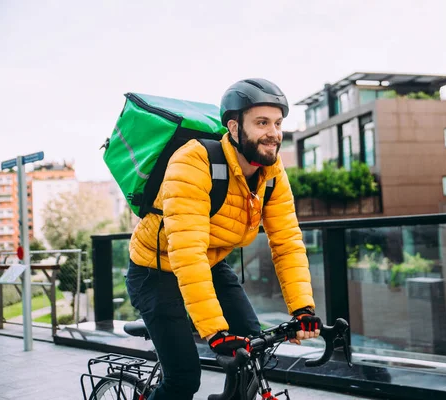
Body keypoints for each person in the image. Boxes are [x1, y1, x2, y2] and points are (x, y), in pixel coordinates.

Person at [126, 78, 322, 400]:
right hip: (155, 270)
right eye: (261, 123)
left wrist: (302, 309)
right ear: (233, 127)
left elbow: (287, 241)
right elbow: (186, 252)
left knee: (253, 354)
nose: (273, 133)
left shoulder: (271, 174)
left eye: (277, 123)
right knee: (184, 378)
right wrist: (215, 331)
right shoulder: (193, 161)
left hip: (211, 263)